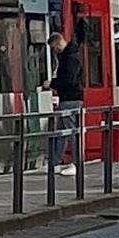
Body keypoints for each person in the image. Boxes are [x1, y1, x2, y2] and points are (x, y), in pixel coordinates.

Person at [47, 31, 84, 175]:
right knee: (61, 132)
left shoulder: (69, 58)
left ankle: (76, 163)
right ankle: (55, 162)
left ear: (58, 44)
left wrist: (52, 83)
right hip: (68, 99)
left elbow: (69, 81)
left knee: (71, 132)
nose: (54, 52)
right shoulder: (69, 55)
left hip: (71, 99)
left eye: (54, 49)